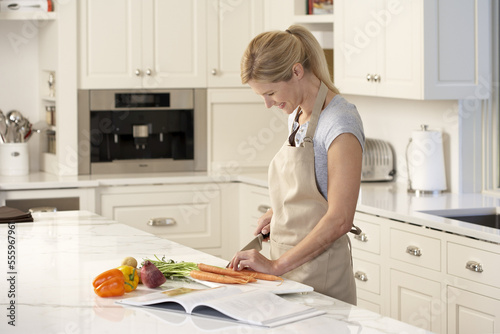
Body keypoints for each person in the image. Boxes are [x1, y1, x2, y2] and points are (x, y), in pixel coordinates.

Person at [227, 25, 365, 305]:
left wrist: (276, 266)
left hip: (320, 278)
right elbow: (311, 193)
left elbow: (340, 219)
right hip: (289, 272)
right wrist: (277, 213)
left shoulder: (340, 123)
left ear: (297, 72)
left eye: (270, 93)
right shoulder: (298, 116)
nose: (268, 104)